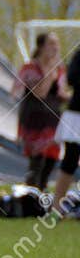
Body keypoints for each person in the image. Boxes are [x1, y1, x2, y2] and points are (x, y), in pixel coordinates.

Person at [12, 32, 70, 191]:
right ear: (41, 47)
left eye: (57, 43)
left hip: (52, 116)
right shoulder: (30, 68)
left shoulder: (60, 68)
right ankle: (32, 189)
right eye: (51, 43)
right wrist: (49, 74)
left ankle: (41, 188)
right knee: (36, 156)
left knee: (52, 154)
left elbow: (61, 92)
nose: (55, 47)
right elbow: (40, 93)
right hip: (34, 117)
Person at [50, 42, 80, 216]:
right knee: (70, 160)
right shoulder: (79, 55)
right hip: (77, 115)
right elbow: (72, 78)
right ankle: (57, 207)